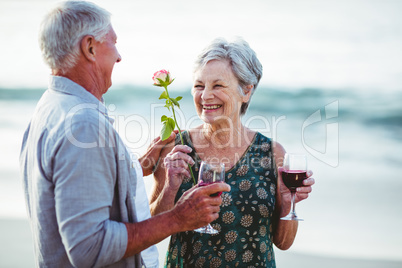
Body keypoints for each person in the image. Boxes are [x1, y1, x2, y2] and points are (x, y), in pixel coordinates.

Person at [19, 1, 229, 267]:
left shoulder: (49, 105)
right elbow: (89, 248)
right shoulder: (83, 125)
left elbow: (79, 183)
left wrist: (136, 166)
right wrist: (179, 218)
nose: (119, 56)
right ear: (90, 47)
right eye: (113, 43)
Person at [150, 38, 315, 267]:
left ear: (246, 91)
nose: (206, 96)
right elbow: (150, 230)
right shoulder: (176, 148)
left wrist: (288, 201)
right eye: (199, 86)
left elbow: (284, 242)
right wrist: (170, 187)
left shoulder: (271, 153)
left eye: (218, 86)